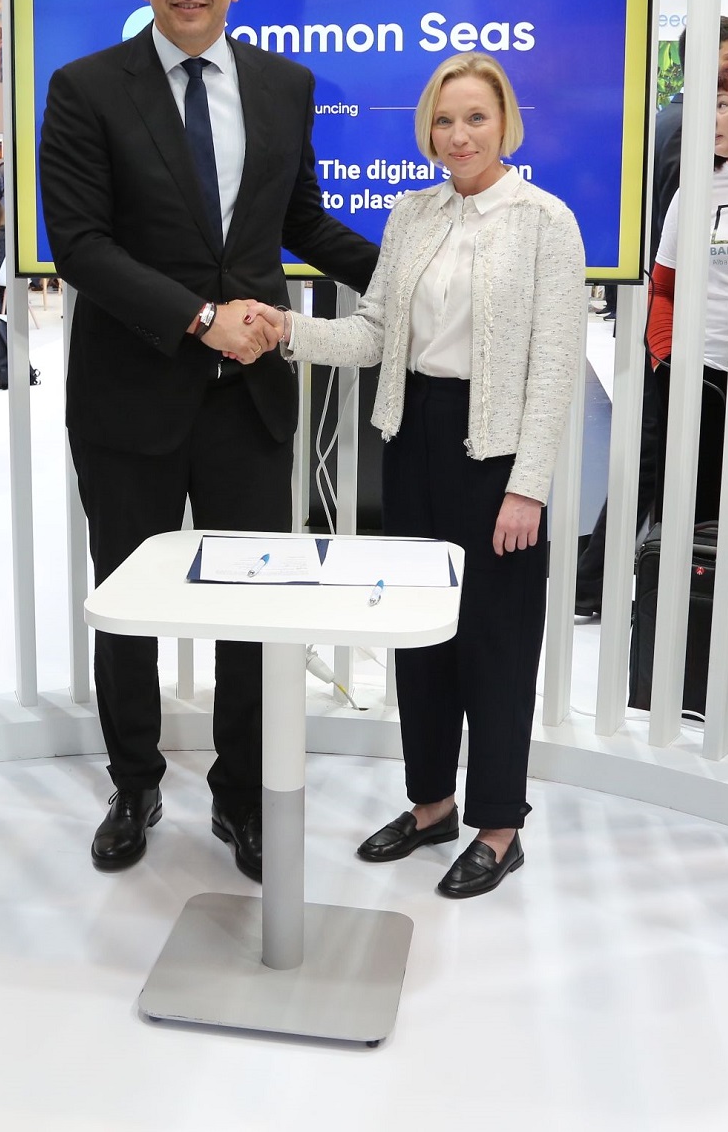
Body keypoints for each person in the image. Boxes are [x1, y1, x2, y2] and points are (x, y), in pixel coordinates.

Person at [39, 0, 378, 878]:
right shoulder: (85, 87)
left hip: (249, 398)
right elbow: (81, 245)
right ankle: (134, 781)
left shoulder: (284, 85)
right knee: (128, 603)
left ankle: (242, 794)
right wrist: (199, 317)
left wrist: (410, 268)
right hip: (128, 396)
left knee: (253, 611)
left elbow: (299, 221)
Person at [253, 54, 585, 898]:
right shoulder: (411, 215)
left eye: (475, 118)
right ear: (426, 131)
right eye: (444, 120)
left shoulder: (546, 222)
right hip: (413, 440)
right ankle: (431, 804)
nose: (458, 135)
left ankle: (499, 826)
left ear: (505, 124)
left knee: (497, 643)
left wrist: (528, 486)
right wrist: (289, 330)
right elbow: (375, 335)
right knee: (422, 636)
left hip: (498, 452)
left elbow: (554, 368)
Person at [574, 15, 728, 615]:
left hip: (691, 348)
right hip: (678, 348)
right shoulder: (683, 136)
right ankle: (618, 589)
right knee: (657, 467)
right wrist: (665, 349)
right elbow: (666, 257)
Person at [647, 63, 728, 523]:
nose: (709, 118)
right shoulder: (697, 189)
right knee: (693, 520)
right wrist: (667, 362)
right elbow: (663, 286)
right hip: (704, 382)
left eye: (722, 105)